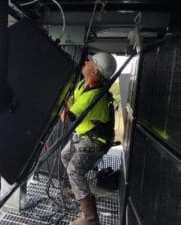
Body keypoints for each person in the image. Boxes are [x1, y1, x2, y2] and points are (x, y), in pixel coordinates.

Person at [60, 52, 117, 225]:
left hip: (96, 141)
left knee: (74, 169)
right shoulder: (82, 85)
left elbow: (66, 117)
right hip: (84, 135)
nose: (86, 62)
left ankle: (90, 218)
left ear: (95, 72)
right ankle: (79, 190)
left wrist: (61, 105)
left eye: (90, 61)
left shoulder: (94, 95)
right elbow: (71, 101)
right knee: (65, 155)